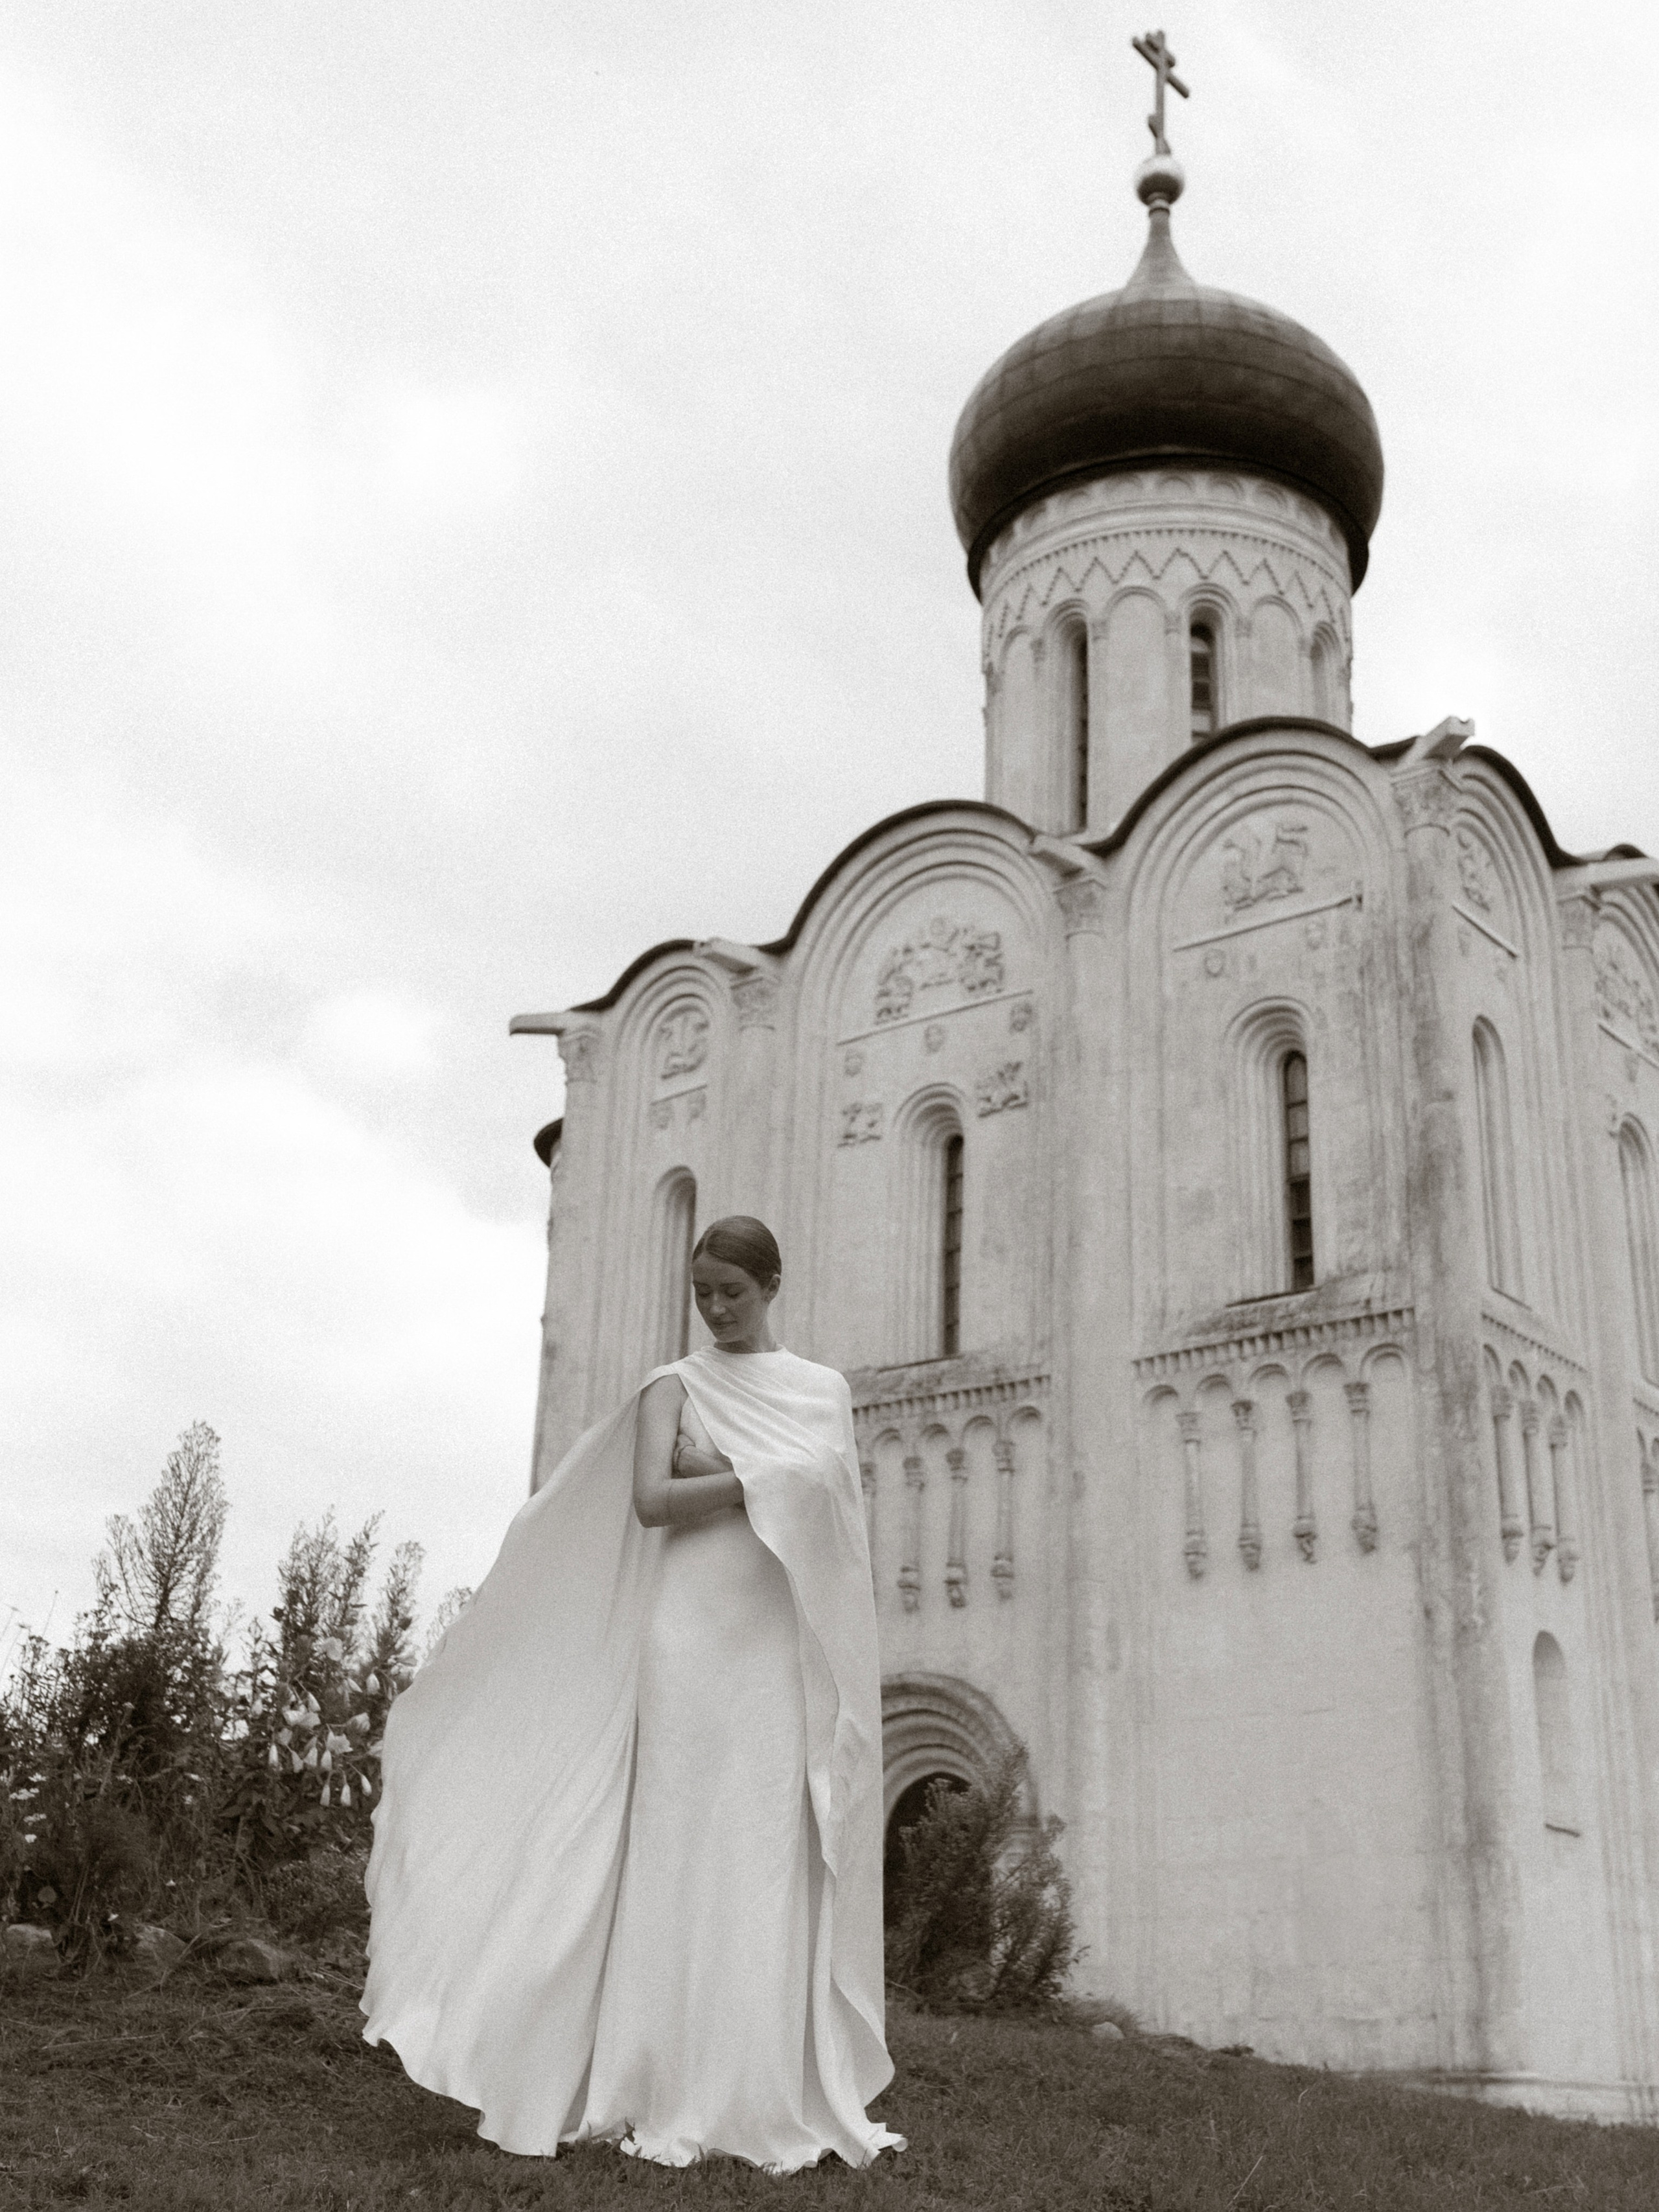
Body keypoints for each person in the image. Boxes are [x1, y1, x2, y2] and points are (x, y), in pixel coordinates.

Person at [361, 1215, 905, 2174]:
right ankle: (652, 2070)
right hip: (688, 1638)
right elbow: (653, 1498)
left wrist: (735, 1476)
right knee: (676, 1839)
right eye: (703, 1293)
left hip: (775, 1639)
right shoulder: (675, 1384)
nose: (716, 1308)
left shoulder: (822, 1392)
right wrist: (759, 1482)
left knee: (763, 1842)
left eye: (732, 1291)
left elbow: (833, 1510)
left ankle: (753, 2072)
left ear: (771, 1284)